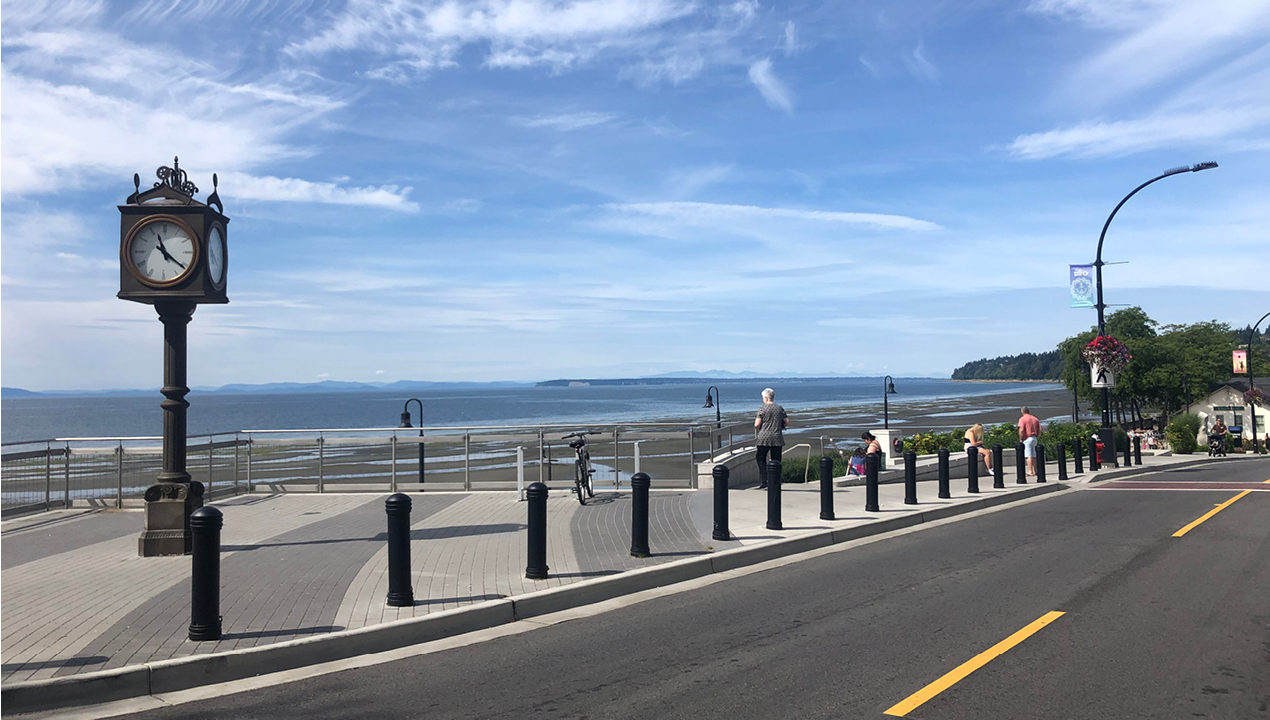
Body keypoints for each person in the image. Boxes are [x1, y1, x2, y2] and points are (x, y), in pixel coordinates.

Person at [753, 387, 788, 489]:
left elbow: (756, 424)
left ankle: (764, 481)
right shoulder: (779, 408)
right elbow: (786, 421)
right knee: (776, 460)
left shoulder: (762, 409)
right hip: (777, 437)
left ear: (766, 398)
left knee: (760, 458)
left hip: (764, 437)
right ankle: (776, 481)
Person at [1018, 406, 1041, 476]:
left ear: (1022, 412)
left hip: (1027, 438)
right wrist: (1037, 435)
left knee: (1028, 455)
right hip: (1034, 438)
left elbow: (1021, 430)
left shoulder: (1022, 419)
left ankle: (1030, 471)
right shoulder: (1035, 418)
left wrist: (1021, 438)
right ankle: (1035, 471)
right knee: (1034, 455)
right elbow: (1040, 429)